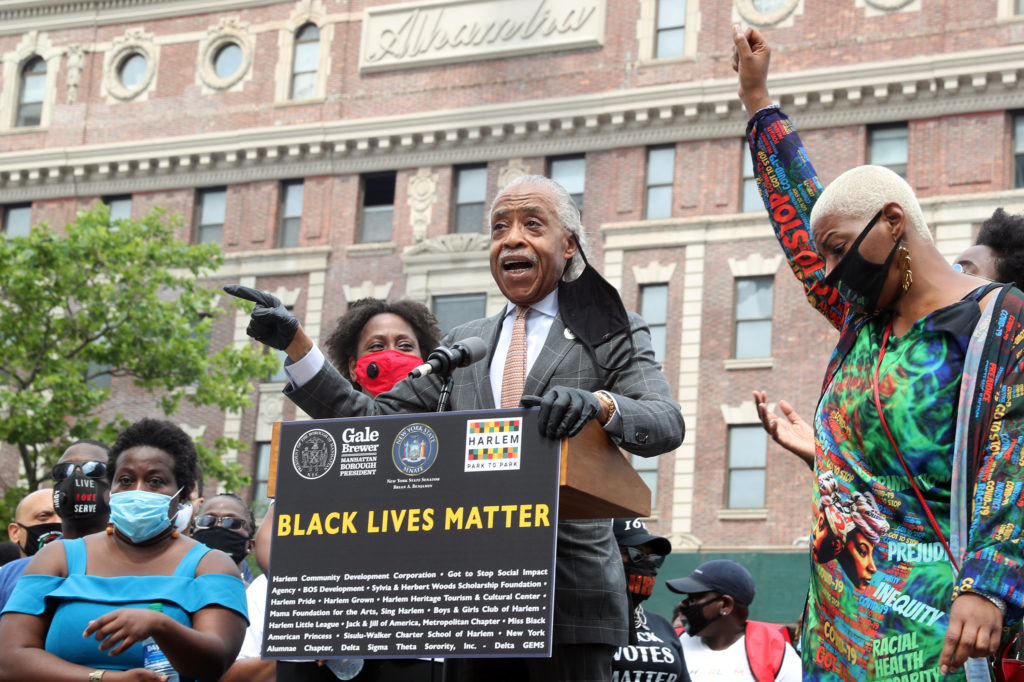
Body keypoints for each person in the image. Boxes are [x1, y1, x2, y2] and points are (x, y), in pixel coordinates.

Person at [228, 173, 685, 682]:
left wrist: (599, 405)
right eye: (499, 228)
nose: (512, 239)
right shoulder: (466, 342)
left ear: (569, 244)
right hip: (469, 596)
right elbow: (372, 423)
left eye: (532, 225)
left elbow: (665, 421)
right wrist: (297, 345)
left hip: (568, 597)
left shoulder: (610, 330)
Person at [733, 25, 1024, 680]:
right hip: (834, 637)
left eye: (839, 249)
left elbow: (1015, 454)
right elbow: (800, 211)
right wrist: (757, 101)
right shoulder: (859, 322)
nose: (829, 270)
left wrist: (989, 583)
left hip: (933, 631)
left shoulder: (999, 320)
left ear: (893, 222)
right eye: (824, 257)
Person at [222, 298, 443, 682]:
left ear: (426, 361)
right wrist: (328, 609)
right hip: (322, 650)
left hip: (416, 650)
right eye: (376, 346)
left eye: (405, 345)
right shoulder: (316, 445)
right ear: (354, 368)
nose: (391, 354)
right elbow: (272, 542)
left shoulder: (447, 435)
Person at [754, 208, 1024, 468]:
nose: (949, 276)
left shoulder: (1001, 350)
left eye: (964, 271)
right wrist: (829, 462)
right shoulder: (874, 325)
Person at [0, 418, 248, 681]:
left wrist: (160, 625)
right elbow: (9, 660)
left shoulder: (211, 566)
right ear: (110, 490)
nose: (138, 491)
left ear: (183, 494)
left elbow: (215, 664)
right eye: (126, 480)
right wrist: (105, 678)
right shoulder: (57, 557)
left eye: (155, 481)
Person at [0, 439, 111, 610]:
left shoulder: (137, 562)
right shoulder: (10, 575)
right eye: (64, 471)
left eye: (93, 469)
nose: (76, 476)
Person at [666, 560, 800, 682]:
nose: (684, 605)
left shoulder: (772, 649)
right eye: (687, 597)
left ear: (725, 604)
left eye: (694, 598)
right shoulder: (671, 644)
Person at [612, 518, 689, 682]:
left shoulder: (661, 625)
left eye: (652, 557)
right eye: (634, 554)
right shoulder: (583, 622)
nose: (646, 563)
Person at [188, 493, 255, 583]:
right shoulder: (174, 587)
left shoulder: (257, 592)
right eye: (207, 521)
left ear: (250, 546)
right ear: (191, 537)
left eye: (232, 522)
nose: (219, 526)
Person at [5, 488, 61, 560]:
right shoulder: (8, 568)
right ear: (15, 533)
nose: (59, 521)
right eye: (43, 516)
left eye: (66, 516)